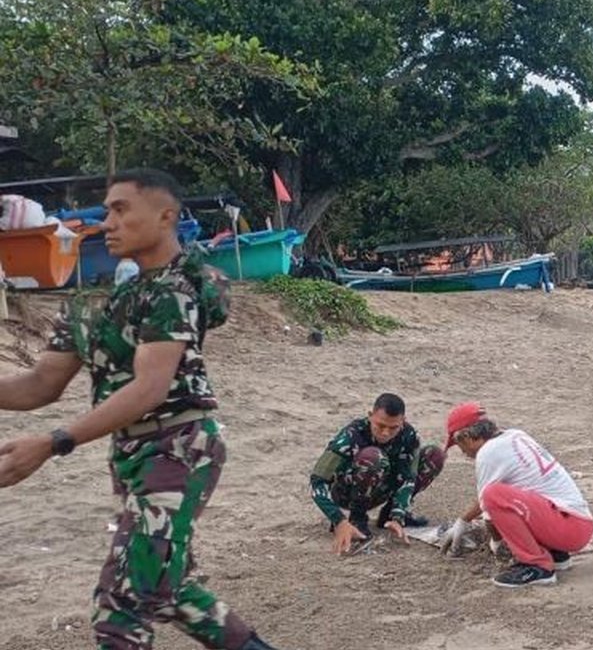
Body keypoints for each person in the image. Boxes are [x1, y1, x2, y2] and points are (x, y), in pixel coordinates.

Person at [0, 169, 279, 650]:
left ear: (166, 216)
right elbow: (40, 384)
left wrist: (52, 442)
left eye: (121, 209)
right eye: (107, 210)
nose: (107, 221)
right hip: (133, 456)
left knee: (121, 603)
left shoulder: (174, 291)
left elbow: (150, 388)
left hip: (178, 448)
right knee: (171, 590)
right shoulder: (92, 307)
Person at [440, 402, 593, 588]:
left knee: (493, 495)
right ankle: (556, 555)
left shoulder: (488, 453)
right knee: (506, 494)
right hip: (576, 522)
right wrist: (463, 520)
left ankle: (537, 566)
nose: (463, 452)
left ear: (466, 437)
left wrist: (498, 545)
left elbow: (489, 504)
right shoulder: (514, 435)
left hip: (567, 527)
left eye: (459, 445)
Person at [310, 393, 444, 554]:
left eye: (393, 428)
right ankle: (357, 518)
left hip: (382, 487)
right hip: (347, 492)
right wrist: (338, 520)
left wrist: (398, 515)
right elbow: (317, 481)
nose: (386, 433)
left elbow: (409, 477)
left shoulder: (409, 435)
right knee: (374, 457)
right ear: (370, 416)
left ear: (403, 421)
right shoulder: (351, 435)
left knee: (434, 455)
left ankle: (388, 516)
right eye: (380, 426)